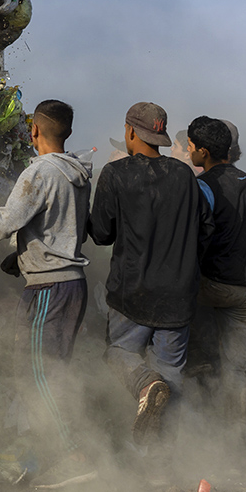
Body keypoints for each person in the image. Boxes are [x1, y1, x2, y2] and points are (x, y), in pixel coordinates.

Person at [0, 100, 95, 488]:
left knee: (37, 374)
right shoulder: (77, 173)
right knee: (52, 371)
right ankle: (57, 454)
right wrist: (22, 256)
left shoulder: (39, 172)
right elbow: (54, 227)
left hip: (49, 286)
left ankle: (72, 456)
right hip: (69, 282)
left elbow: (3, 223)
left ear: (34, 131)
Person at [88, 102, 213, 446]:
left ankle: (144, 383)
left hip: (133, 293)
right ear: (159, 135)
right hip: (178, 296)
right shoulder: (185, 175)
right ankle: (160, 461)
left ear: (130, 131)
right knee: (171, 377)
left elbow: (101, 234)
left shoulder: (116, 174)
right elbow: (205, 226)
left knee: (119, 355)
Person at [187, 116, 246, 442]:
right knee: (235, 370)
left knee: (172, 314)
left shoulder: (203, 184)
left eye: (192, 147)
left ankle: (190, 425)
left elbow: (198, 237)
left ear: (204, 152)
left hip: (216, 286)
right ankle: (233, 439)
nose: (190, 153)